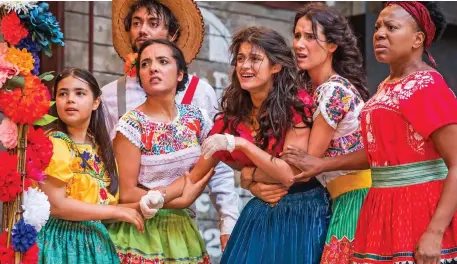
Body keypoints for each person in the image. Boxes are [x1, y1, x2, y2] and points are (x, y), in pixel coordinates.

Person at [282, 2, 457, 264]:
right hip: (382, 207)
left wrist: (435, 232)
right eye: (378, 26)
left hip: (420, 209)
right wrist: (322, 164)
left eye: (392, 27)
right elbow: (376, 154)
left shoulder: (427, 85)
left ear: (418, 39)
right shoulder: (385, 86)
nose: (380, 33)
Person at [156, 26, 331, 263]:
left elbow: (290, 174)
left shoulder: (295, 104)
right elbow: (195, 176)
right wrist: (152, 197)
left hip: (304, 212)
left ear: (276, 66)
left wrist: (244, 153)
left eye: (255, 59)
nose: (245, 66)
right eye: (240, 58)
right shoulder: (232, 119)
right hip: (262, 208)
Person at [102, 0, 239, 249]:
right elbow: (101, 163)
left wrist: (228, 221)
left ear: (173, 34)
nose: (143, 30)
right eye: (136, 23)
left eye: (153, 23)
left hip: (181, 225)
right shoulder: (110, 96)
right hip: (128, 222)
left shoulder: (199, 95)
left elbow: (217, 164)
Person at [106, 39, 214, 263]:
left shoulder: (197, 118)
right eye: (145, 64)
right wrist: (181, 200)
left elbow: (208, 166)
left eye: (162, 61)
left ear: (180, 74)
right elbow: (126, 192)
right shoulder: (132, 125)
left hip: (182, 229)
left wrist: (173, 194)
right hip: (140, 228)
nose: (152, 68)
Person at [37, 68, 144, 264]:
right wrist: (117, 211)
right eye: (63, 93)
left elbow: (102, 208)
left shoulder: (101, 150)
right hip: (61, 243)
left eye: (80, 93)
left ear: (96, 102)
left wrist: (142, 206)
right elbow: (56, 205)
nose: (70, 99)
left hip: (95, 245)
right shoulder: (55, 143)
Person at [292, 3, 370, 263]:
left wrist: (249, 170)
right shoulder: (322, 90)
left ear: (333, 45)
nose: (299, 44)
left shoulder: (332, 92)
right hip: (345, 198)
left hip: (357, 201)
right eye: (297, 35)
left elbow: (305, 163)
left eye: (310, 37)